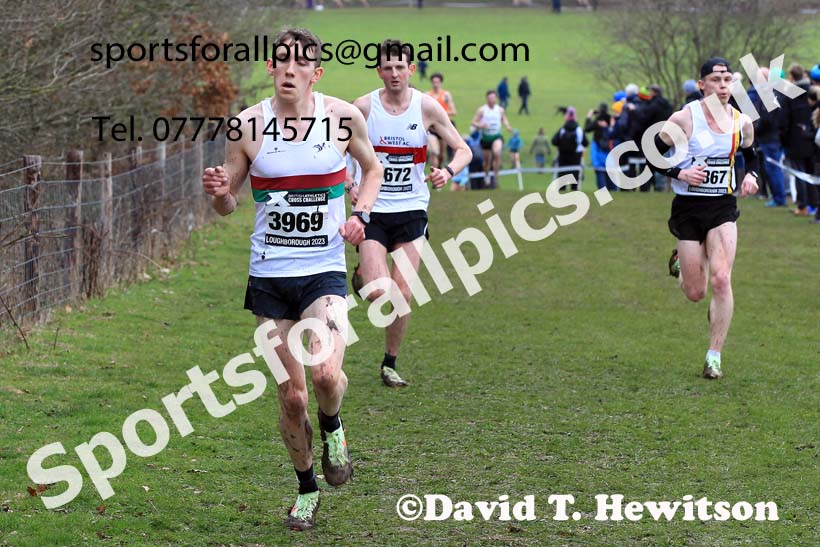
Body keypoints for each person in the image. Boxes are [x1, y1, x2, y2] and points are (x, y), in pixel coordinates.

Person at [201, 28, 383, 531]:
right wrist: (218, 191)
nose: (288, 69)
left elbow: (373, 170)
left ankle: (334, 426)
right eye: (280, 60)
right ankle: (306, 491)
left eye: (299, 63)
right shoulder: (247, 127)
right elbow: (229, 203)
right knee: (292, 396)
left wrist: (360, 214)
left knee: (325, 376)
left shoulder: (344, 118)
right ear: (270, 67)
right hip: (270, 276)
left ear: (315, 73)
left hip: (323, 270)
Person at [351, 39, 471, 387]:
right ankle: (361, 272)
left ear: (411, 70)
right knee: (377, 292)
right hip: (372, 210)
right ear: (379, 71)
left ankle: (389, 363)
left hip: (412, 210)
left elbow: (463, 150)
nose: (394, 74)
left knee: (402, 293)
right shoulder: (363, 107)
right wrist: (348, 183)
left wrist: (447, 172)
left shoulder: (427, 108)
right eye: (387, 68)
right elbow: (338, 150)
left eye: (399, 67)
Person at [654, 57, 759, 380]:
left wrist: (751, 175)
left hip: (722, 207)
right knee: (696, 292)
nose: (724, 86)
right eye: (716, 80)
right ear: (702, 85)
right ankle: (680, 260)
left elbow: (752, 153)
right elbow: (652, 154)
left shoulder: (741, 121)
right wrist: (679, 171)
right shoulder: (684, 118)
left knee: (722, 278)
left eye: (728, 80)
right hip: (688, 208)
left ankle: (714, 355)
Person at [779, 63, 817, 217]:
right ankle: (814, 205)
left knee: (800, 174)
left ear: (792, 76)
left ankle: (803, 205)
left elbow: (784, 119)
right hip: (812, 138)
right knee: (812, 173)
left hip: (795, 140)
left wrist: (783, 138)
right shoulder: (813, 90)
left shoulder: (789, 93)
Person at [472, 90, 512, 189]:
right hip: (485, 138)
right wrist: (481, 125)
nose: (491, 100)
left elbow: (504, 119)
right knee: (487, 161)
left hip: (496, 136)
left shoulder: (500, 110)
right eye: (490, 98)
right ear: (487, 99)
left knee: (497, 152)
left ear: (496, 98)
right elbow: (473, 122)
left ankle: (496, 176)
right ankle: (487, 176)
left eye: (493, 98)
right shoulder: (482, 110)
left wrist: (507, 126)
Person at [551, 106, 588, 191]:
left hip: (563, 158)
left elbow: (554, 141)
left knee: (562, 180)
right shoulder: (579, 130)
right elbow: (586, 143)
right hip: (576, 158)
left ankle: (561, 196)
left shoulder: (562, 130)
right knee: (574, 181)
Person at [426, 72, 458, 169]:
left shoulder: (446, 95)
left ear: (441, 83)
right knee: (434, 152)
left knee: (441, 154)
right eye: (434, 82)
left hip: (443, 127)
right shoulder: (427, 95)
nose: (435, 84)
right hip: (432, 128)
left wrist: (440, 114)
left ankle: (439, 166)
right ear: (431, 83)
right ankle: (434, 172)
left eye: (437, 82)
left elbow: (453, 111)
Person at [584, 103, 613, 191]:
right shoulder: (610, 119)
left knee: (600, 172)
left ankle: (603, 193)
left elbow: (587, 128)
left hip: (598, 148)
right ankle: (612, 191)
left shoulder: (598, 120)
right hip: (610, 149)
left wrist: (589, 117)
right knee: (610, 172)